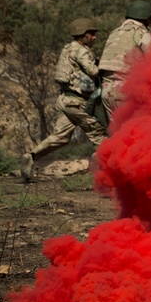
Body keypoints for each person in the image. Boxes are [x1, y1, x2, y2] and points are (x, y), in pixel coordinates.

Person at [20, 18, 106, 182]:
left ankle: (31, 156)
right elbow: (93, 71)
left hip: (64, 100)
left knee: (59, 137)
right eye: (92, 34)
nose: (94, 37)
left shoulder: (67, 49)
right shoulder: (81, 51)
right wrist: (107, 67)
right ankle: (105, 174)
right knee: (99, 135)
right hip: (78, 102)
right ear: (82, 35)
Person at [99, 0, 151, 123]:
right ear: (143, 17)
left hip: (106, 91)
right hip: (126, 91)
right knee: (139, 132)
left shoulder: (114, 33)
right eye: (150, 18)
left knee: (118, 135)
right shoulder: (141, 33)